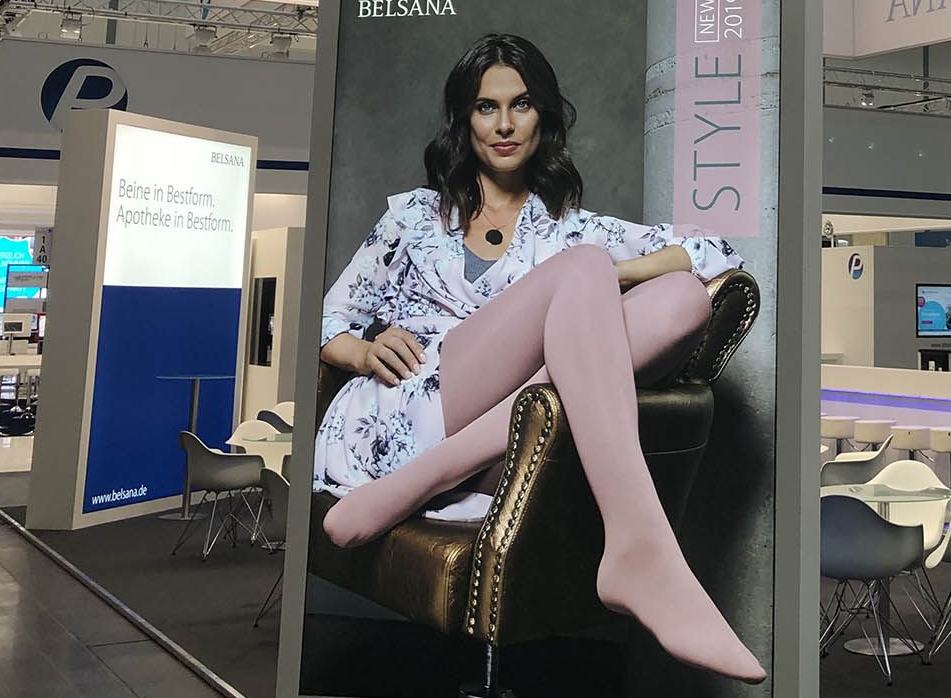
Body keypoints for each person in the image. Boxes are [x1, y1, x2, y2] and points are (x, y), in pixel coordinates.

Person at [312, 34, 763, 682]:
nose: (503, 124)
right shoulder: (412, 218)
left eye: (520, 105)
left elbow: (712, 254)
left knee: (681, 300)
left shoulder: (568, 228)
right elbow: (331, 318)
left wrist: (611, 275)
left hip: (509, 435)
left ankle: (439, 476)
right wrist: (362, 349)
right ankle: (642, 549)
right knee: (584, 268)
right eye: (486, 107)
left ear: (543, 117)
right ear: (464, 119)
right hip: (410, 406)